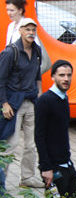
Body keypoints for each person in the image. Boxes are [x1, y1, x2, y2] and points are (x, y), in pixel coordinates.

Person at [33, 59, 76, 198]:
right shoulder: (45, 101)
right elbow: (39, 136)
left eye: (68, 75)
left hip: (66, 162)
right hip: (53, 166)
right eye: (61, 75)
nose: (66, 79)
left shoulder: (63, 98)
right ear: (53, 76)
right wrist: (46, 167)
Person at [0, 17, 44, 189]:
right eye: (27, 29)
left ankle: (27, 177)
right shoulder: (10, 52)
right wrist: (4, 103)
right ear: (20, 31)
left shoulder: (37, 51)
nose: (31, 33)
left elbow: (37, 74)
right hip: (13, 103)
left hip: (31, 101)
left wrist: (39, 94)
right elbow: (0, 79)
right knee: (10, 145)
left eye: (33, 30)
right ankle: (1, 181)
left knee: (31, 143)